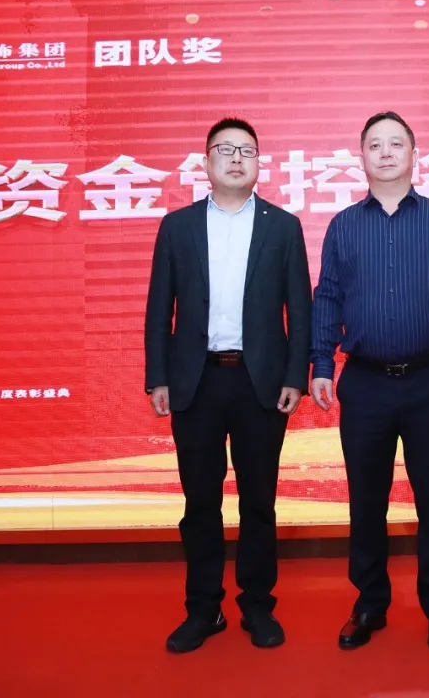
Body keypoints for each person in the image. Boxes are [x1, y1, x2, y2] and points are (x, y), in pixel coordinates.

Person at [310, 111, 429, 653]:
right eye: (375, 145)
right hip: (364, 384)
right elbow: (328, 297)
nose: (385, 153)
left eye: (396, 144)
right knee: (366, 501)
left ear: (414, 154)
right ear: (361, 158)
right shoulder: (344, 225)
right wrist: (322, 364)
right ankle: (369, 604)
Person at [144, 117, 312, 653]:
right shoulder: (178, 227)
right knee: (200, 503)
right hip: (195, 382)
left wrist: (296, 376)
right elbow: (159, 309)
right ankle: (204, 609)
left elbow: (300, 310)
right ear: (207, 162)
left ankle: (258, 606)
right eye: (226, 150)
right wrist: (158, 376)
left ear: (260, 163)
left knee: (259, 502)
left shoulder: (283, 227)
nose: (237, 159)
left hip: (260, 383)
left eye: (247, 151)